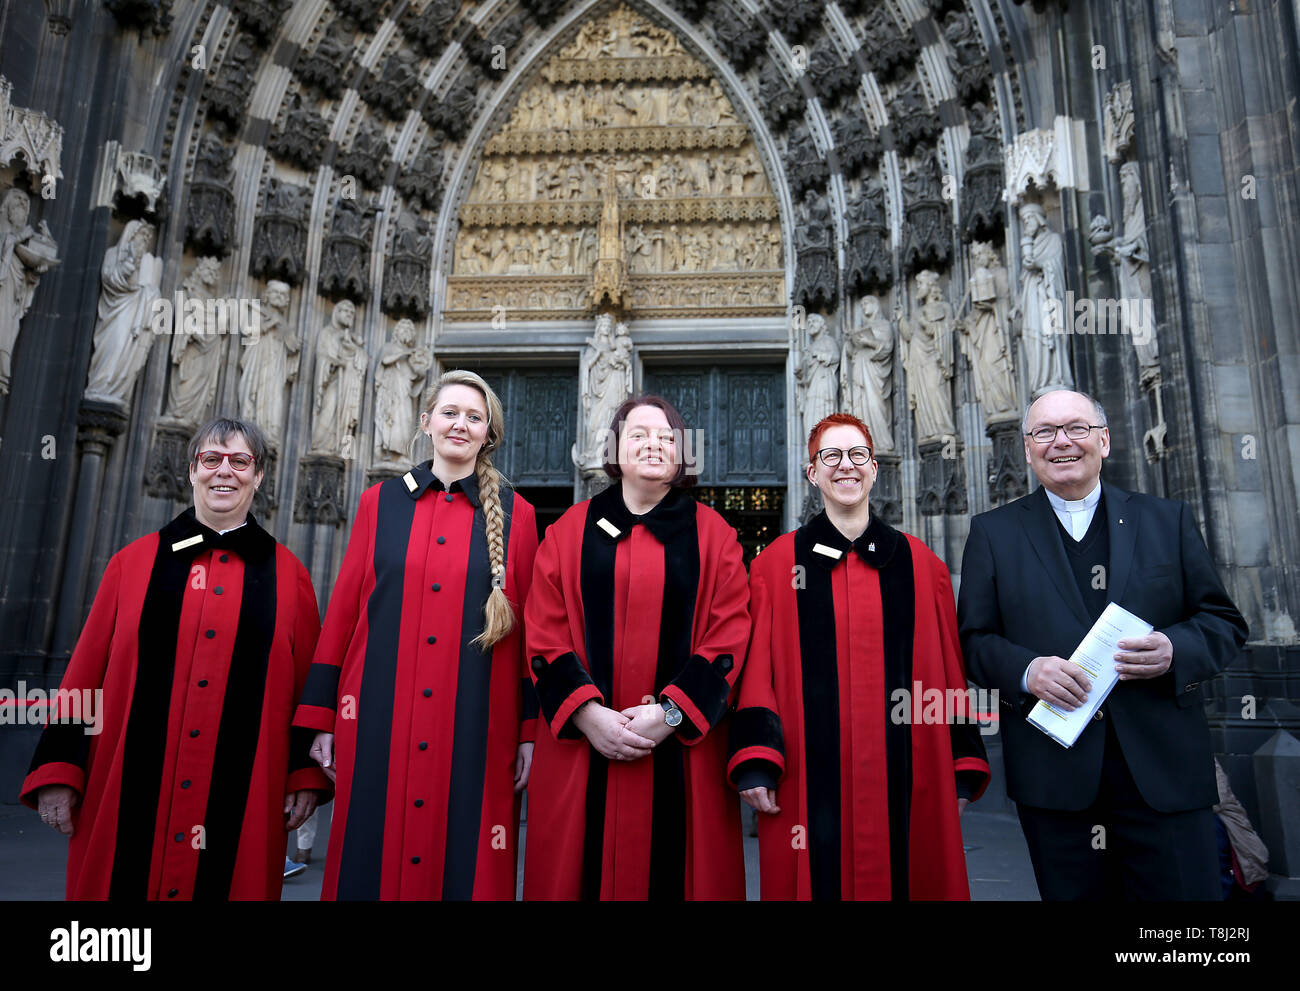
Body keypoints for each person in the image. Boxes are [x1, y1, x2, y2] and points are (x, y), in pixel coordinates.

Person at [957, 388, 1249, 899]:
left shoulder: (1168, 519)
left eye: (1076, 428)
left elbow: (1223, 622)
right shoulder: (992, 533)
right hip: (1057, 778)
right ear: (1027, 449)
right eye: (1044, 432)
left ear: (1104, 440)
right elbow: (974, 640)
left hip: (1165, 772)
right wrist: (1028, 671)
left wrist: (1174, 649)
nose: (1061, 442)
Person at [21, 417, 326, 899]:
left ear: (259, 476)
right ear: (191, 471)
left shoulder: (291, 578)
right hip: (124, 791)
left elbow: (307, 688)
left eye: (240, 461)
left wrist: (304, 774)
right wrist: (59, 769)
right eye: (211, 459)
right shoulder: (132, 564)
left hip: (244, 798)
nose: (224, 471)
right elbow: (85, 675)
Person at [295, 370, 539, 900]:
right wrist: (321, 718)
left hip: (478, 724)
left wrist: (527, 731)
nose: (460, 424)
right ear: (425, 421)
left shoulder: (520, 517)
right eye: (450, 412)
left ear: (488, 435)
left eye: (475, 418)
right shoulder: (378, 503)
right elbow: (344, 615)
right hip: (378, 715)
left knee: (467, 860)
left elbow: (527, 638)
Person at [730, 413, 989, 900]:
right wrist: (758, 760)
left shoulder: (921, 567)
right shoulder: (775, 567)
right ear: (812, 473)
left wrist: (959, 761)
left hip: (909, 777)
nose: (844, 466)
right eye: (830, 456)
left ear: (874, 469)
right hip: (808, 782)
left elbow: (948, 674)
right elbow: (756, 676)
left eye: (856, 456)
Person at [524, 395, 751, 900]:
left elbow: (729, 634)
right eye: (638, 435)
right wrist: (588, 714)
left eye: (667, 437)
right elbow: (543, 632)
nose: (654, 445)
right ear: (614, 449)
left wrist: (670, 714)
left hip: (681, 753)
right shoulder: (566, 532)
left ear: (683, 454)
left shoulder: (715, 536)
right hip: (584, 749)